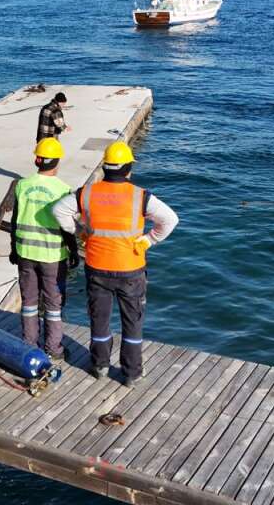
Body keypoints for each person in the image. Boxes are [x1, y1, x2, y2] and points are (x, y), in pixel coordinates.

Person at [52, 141, 178, 387]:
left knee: (99, 318)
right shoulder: (141, 197)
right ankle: (131, 373)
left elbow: (59, 211)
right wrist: (148, 241)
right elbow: (170, 220)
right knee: (132, 321)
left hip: (97, 267)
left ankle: (99, 365)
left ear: (105, 167)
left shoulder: (86, 193)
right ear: (128, 168)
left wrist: (80, 232)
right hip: (130, 268)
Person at [0, 137, 77, 362]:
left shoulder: (22, 185)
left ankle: (29, 343)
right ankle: (54, 347)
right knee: (53, 303)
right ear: (57, 162)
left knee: (29, 301)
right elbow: (67, 228)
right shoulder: (63, 190)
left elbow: (15, 221)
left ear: (36, 160)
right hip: (52, 256)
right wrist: (74, 252)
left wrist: (13, 249)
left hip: (25, 253)